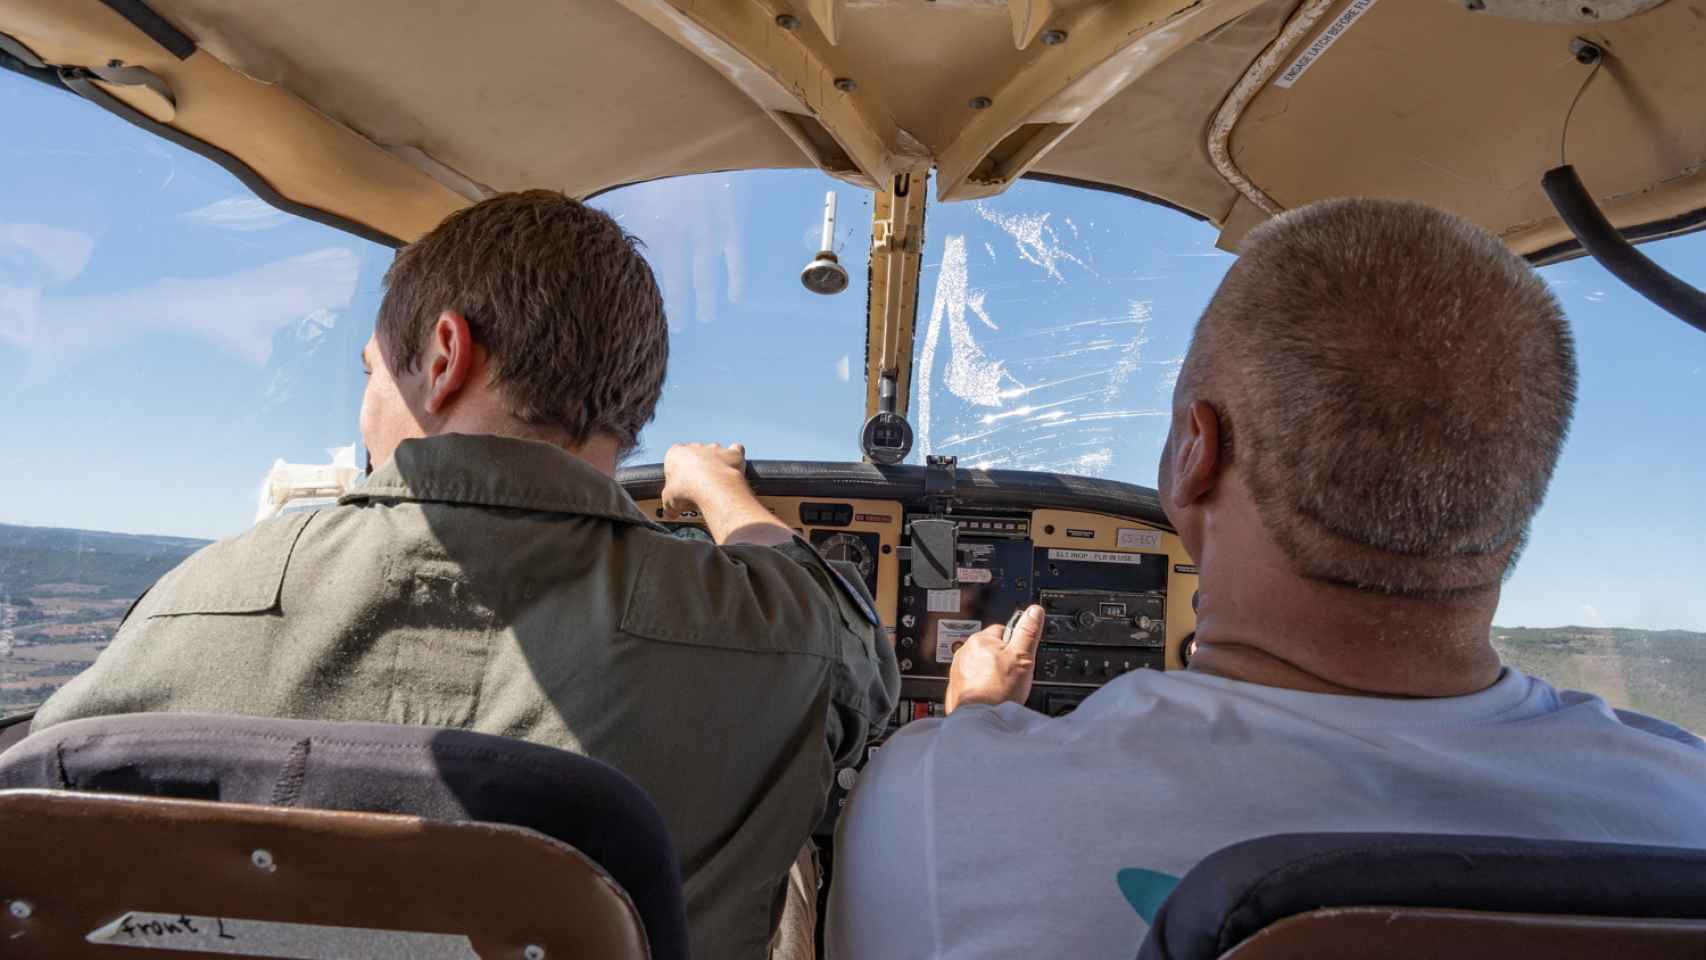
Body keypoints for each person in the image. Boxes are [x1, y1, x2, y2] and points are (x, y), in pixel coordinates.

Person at [827, 198, 1706, 957]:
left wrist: (972, 734)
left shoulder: (941, 801)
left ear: (1193, 455)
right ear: (1519, 490)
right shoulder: (1684, 800)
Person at [32, 190, 899, 959]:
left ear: (444, 354)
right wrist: (719, 489)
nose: (367, 405)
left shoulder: (186, 605)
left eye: (371, 375)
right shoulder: (781, 634)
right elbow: (859, 660)